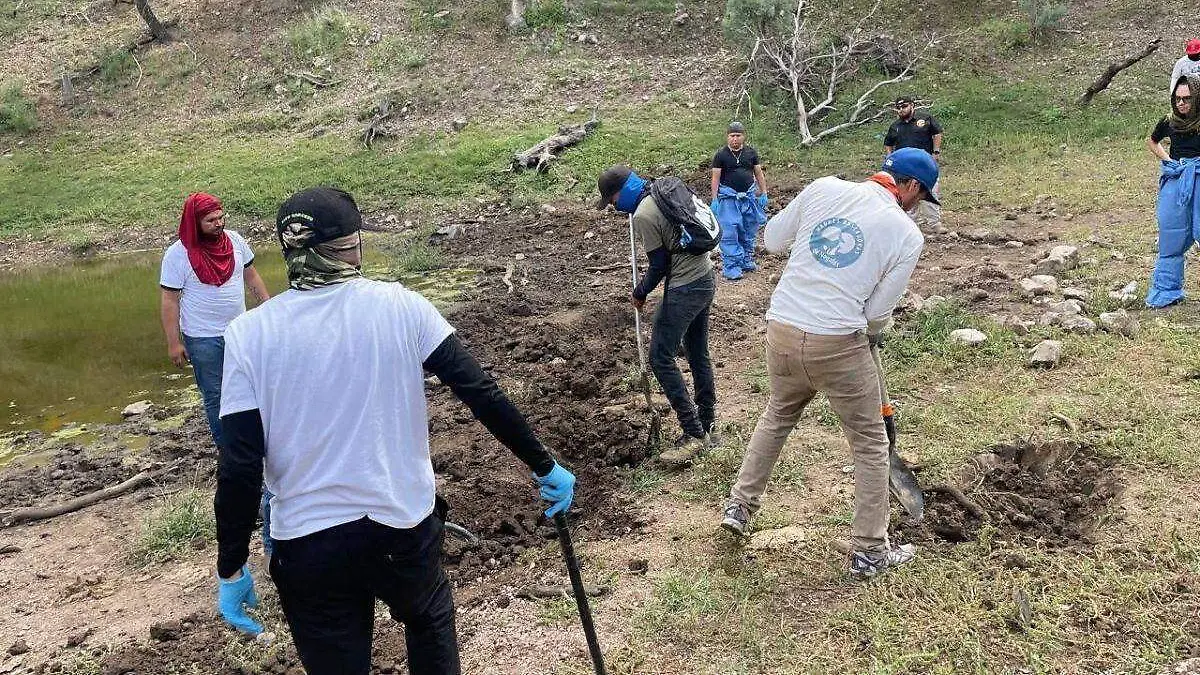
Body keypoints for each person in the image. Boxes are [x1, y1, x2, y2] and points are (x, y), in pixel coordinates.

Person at [213, 187, 576, 675]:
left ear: (289, 248)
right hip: (400, 524)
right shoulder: (400, 306)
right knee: (427, 622)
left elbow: (239, 463)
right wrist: (543, 465)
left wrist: (231, 565)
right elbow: (479, 390)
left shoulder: (248, 335)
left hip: (308, 543)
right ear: (352, 245)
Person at [719, 148, 937, 579]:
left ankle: (739, 508)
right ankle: (870, 552)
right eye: (921, 197)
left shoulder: (824, 188)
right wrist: (869, 329)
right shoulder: (906, 235)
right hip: (838, 343)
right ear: (909, 187)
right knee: (871, 444)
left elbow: (773, 240)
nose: (918, 207)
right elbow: (876, 312)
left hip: (781, 328)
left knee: (778, 414)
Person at [596, 165, 716, 468]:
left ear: (621, 192)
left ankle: (693, 433)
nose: (612, 206)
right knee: (697, 353)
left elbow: (659, 265)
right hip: (705, 277)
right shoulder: (661, 191)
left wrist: (639, 292)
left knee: (660, 358)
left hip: (685, 288)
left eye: (611, 200)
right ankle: (708, 424)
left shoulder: (644, 214)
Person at [1145, 75, 1200, 308]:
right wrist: (1170, 161)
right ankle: (1167, 291)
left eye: (1187, 99)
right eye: (1177, 98)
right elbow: (1152, 141)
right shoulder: (1169, 121)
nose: (1181, 103)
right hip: (1176, 178)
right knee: (1170, 234)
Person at [710, 121, 768, 280]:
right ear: (727, 137)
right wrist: (715, 199)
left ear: (744, 136)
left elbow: (758, 173)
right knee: (730, 231)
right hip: (729, 199)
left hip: (748, 197)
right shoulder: (721, 155)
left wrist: (763, 192)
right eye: (732, 136)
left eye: (738, 135)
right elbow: (715, 178)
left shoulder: (751, 153)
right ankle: (731, 265)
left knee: (748, 228)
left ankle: (745, 259)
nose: (735, 139)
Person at [883, 96, 943, 227]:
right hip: (905, 168)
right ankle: (910, 224)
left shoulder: (925, 118)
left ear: (912, 105)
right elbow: (888, 143)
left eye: (904, 107)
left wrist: (936, 152)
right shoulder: (895, 126)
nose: (901, 110)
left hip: (925, 164)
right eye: (898, 108)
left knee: (929, 192)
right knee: (907, 194)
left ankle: (934, 223)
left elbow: (937, 133)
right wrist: (889, 156)